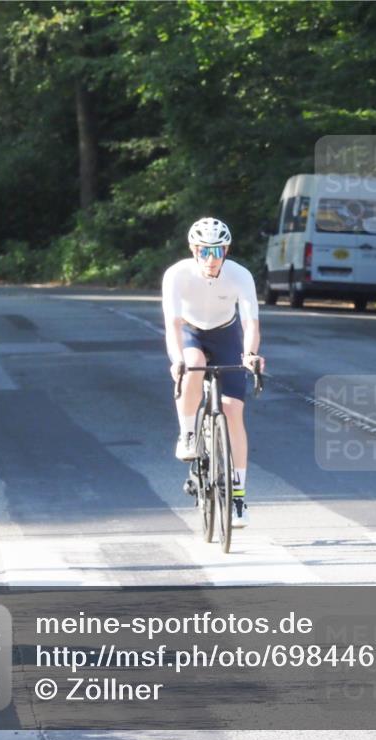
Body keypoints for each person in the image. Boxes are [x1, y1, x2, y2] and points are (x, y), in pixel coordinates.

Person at [162, 217, 265, 527]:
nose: (211, 259)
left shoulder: (239, 275)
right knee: (193, 363)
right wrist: (176, 358)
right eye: (204, 252)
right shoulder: (177, 275)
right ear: (194, 251)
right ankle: (189, 433)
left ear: (226, 250)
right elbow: (173, 325)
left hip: (226, 333)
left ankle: (237, 498)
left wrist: (249, 355)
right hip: (191, 332)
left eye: (218, 251)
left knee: (233, 410)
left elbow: (250, 324)